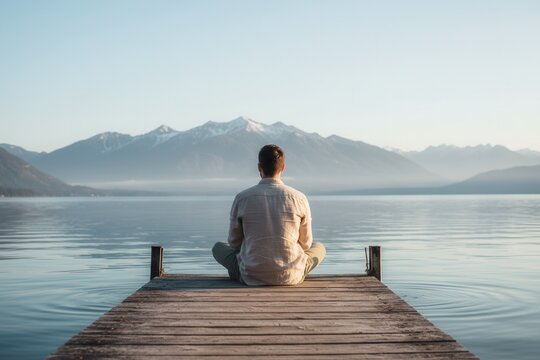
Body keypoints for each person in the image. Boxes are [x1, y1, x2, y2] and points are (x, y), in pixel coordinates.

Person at [212, 144, 326, 286]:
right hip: (291, 275)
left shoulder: (242, 198)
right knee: (319, 247)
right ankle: (292, 270)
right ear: (283, 167)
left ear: (259, 167)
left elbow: (234, 243)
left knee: (218, 247)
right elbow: (306, 244)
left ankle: (239, 271)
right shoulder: (299, 198)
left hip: (251, 274)